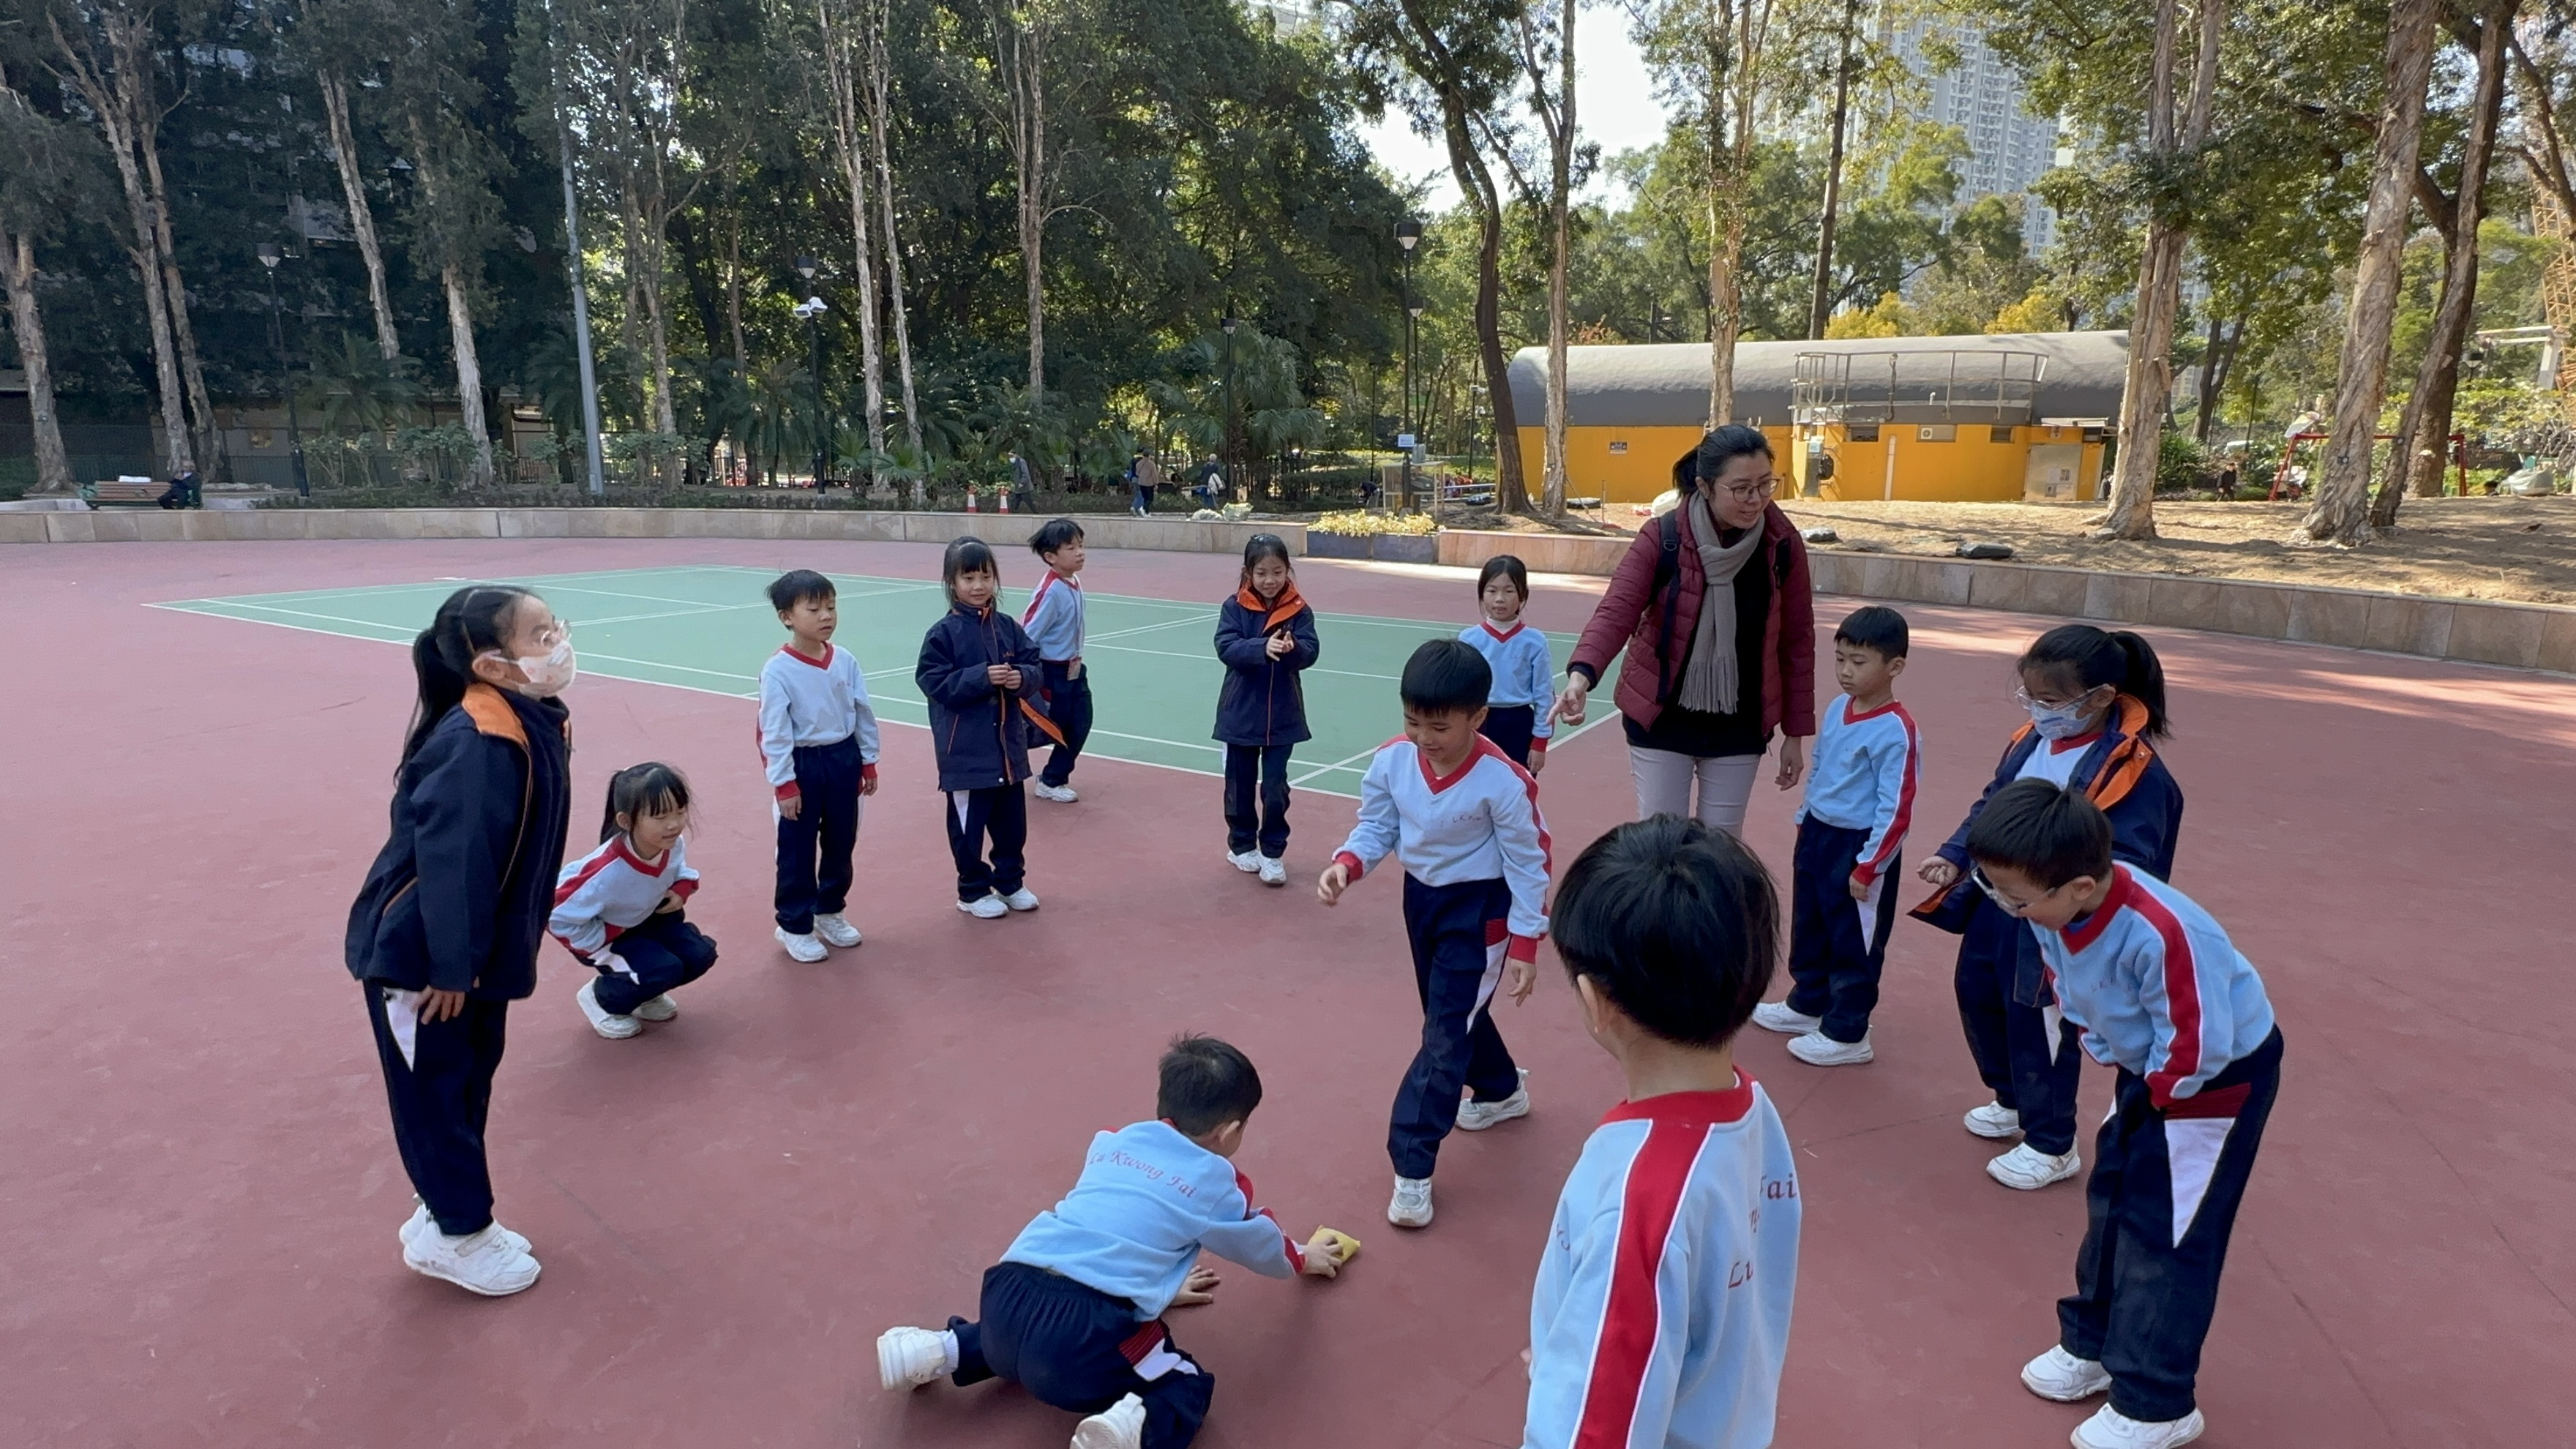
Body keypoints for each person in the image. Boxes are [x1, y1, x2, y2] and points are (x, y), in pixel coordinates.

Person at [1964, 782, 2282, 1449]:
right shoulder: (2050, 914)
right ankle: (2092, 1342)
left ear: (2080, 886)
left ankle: (2156, 1400)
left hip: (2210, 1082)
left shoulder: (2163, 931)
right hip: (2150, 1070)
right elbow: (2071, 987)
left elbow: (2198, 1043)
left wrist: (2157, 1096)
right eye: (1995, 891)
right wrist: (2115, 1060)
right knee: (2111, 1199)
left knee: (2169, 1228)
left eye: (2016, 899)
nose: (2007, 909)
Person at [875, 1035, 1347, 1449]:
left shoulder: (1113, 1142)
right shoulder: (1216, 1183)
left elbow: (1119, 1230)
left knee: (1017, 1334)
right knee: (1185, 1383)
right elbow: (1259, 1243)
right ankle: (1131, 1428)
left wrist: (1159, 1289)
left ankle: (934, 1350)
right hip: (1086, 1333)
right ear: (1230, 1132)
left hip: (1007, 1293)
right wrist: (1304, 1258)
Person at [1523, 815, 1800, 1449]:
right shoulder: (1752, 1107)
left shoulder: (1640, 1199)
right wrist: (1582, 1355)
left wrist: (1585, 1382)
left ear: (1594, 1000)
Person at [342, 585, 575, 1297]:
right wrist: (449, 968)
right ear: (492, 665)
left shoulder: (529, 716)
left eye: (555, 627)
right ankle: (459, 1234)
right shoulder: (476, 743)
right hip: (423, 960)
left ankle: (444, 1211)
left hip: (472, 956)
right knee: (436, 1096)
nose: (559, 644)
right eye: (541, 637)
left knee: (467, 1079)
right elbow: (453, 864)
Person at [1911, 624, 2184, 1191]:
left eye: (2051, 700)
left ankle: (2052, 1141)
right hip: (1997, 903)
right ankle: (2011, 1098)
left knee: (2041, 1022)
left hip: (2055, 920)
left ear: (2100, 697)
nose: (2039, 710)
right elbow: (1993, 804)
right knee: (1979, 996)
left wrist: (2069, 907)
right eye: (2030, 696)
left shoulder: (2136, 771)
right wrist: (1955, 854)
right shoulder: (2029, 741)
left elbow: (2132, 863)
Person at [1318, 640, 1549, 1230]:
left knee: (1444, 1035)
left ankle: (1413, 1162)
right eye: (1413, 721)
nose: (1424, 737)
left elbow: (1530, 862)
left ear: (1478, 717)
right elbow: (1378, 825)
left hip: (1480, 911)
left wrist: (1525, 942)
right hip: (1421, 900)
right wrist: (1349, 863)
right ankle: (1501, 1089)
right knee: (1451, 1014)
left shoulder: (1504, 781)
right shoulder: (1393, 761)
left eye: (1440, 727)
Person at [1554, 424, 1816, 835]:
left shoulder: (1781, 544)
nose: (1756, 499)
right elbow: (1616, 611)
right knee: (1663, 843)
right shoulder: (1664, 536)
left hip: (1740, 723)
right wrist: (1580, 677)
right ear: (1705, 486)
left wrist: (1795, 735)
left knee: (1720, 848)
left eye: (1765, 485)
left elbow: (1797, 640)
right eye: (1741, 488)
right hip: (1662, 718)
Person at [1751, 605, 1921, 1067]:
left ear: (1895, 666)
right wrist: (1805, 817)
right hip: (1818, 834)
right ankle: (1809, 1003)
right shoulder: (1836, 708)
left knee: (1853, 938)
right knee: (1811, 923)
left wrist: (1870, 865)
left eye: (1859, 662)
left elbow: (1897, 806)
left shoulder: (1897, 731)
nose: (1846, 671)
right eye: (1840, 659)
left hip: (1859, 846)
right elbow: (1822, 765)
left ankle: (1849, 1031)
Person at [918, 536, 1060, 918]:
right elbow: (933, 683)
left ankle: (1010, 882)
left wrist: (1021, 678)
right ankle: (972, 890)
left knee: (1012, 826)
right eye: (968, 578)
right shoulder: (943, 634)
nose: (978, 586)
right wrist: (982, 677)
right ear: (952, 583)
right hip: (966, 755)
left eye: (985, 577)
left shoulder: (1007, 626)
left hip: (1008, 751)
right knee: (969, 829)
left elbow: (1034, 665)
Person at [760, 569, 881, 962]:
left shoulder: (844, 661)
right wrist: (784, 784)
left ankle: (829, 911)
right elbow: (773, 732)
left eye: (831, 607)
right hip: (803, 764)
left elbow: (863, 712)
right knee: (797, 851)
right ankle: (794, 924)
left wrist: (868, 761)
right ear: (786, 617)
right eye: (814, 609)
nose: (826, 616)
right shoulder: (778, 670)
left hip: (843, 758)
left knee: (841, 842)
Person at [549, 762, 718, 1040]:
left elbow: (678, 868)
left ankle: (646, 993)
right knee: (662, 969)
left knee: (699, 955)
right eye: (660, 816)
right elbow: (554, 910)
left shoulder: (670, 843)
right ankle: (602, 999)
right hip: (611, 936)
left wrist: (682, 888)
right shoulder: (605, 872)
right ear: (627, 821)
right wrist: (603, 935)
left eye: (680, 811)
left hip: (647, 920)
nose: (674, 824)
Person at [1212, 533, 1318, 886]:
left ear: (1288, 570)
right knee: (1239, 786)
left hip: (1283, 717)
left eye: (1277, 572)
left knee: (1275, 788)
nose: (1270, 580)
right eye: (1261, 573)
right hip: (1241, 714)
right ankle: (1242, 845)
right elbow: (1226, 646)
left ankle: (1273, 852)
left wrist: (1293, 648)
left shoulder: (1299, 609)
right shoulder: (1234, 607)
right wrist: (1262, 647)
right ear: (1248, 573)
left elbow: (1311, 650)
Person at [1460, 554, 1553, 773]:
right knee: (1475, 785)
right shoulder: (1468, 639)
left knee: (1518, 786)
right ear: (1482, 594)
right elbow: (1459, 691)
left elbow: (1544, 696)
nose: (1500, 599)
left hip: (1519, 725)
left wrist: (1540, 743)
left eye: (1509, 591)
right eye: (1492, 591)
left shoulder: (1535, 642)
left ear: (1523, 596)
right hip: (1478, 722)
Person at [1024, 518, 1093, 804]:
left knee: (1081, 721)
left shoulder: (1073, 581)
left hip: (1074, 669)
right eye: (1071, 548)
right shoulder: (1051, 591)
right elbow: (1027, 634)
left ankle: (1052, 778)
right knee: (1050, 727)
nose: (1080, 553)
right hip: (1051, 671)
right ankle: (1006, 769)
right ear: (1051, 557)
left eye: (1081, 545)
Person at [1130, 452, 1164, 516]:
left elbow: (1137, 473)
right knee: (1150, 498)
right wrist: (1156, 483)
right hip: (1149, 483)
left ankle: (1146, 512)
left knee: (1144, 497)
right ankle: (1143, 508)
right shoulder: (1151, 464)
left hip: (1141, 482)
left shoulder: (1139, 463)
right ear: (1149, 455)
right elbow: (1154, 474)